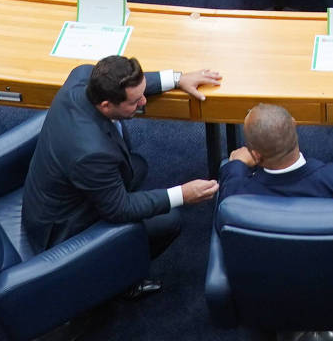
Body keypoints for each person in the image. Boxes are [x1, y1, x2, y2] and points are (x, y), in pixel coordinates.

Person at [19, 53, 222, 257]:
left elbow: (129, 85)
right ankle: (124, 279)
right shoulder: (91, 153)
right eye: (135, 102)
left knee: (135, 167)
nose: (143, 101)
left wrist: (178, 79)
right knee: (169, 221)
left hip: (57, 190)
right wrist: (182, 194)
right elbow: (120, 209)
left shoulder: (83, 77)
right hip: (62, 227)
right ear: (106, 105)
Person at [220, 105, 333, 235]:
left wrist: (236, 165)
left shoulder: (236, 196)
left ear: (256, 155)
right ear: (294, 124)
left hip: (267, 283)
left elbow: (222, 228)